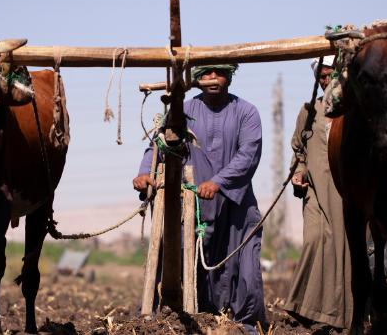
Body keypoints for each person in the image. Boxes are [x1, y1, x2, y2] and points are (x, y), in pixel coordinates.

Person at [132, 64, 267, 332]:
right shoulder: (184, 111)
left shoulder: (247, 112)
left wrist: (218, 182)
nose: (212, 79)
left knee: (246, 271)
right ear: (197, 79)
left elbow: (248, 155)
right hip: (194, 207)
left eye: (218, 73)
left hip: (234, 203)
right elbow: (159, 143)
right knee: (184, 263)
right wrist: (145, 172)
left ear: (229, 77)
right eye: (206, 74)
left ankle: (242, 326)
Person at [284, 55, 353, 330]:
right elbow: (299, 148)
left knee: (341, 245)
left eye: (332, 75)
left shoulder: (354, 110)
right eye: (322, 77)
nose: (327, 81)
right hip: (314, 189)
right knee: (314, 240)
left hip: (344, 192)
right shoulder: (309, 110)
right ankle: (305, 306)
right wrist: (298, 172)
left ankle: (336, 314)